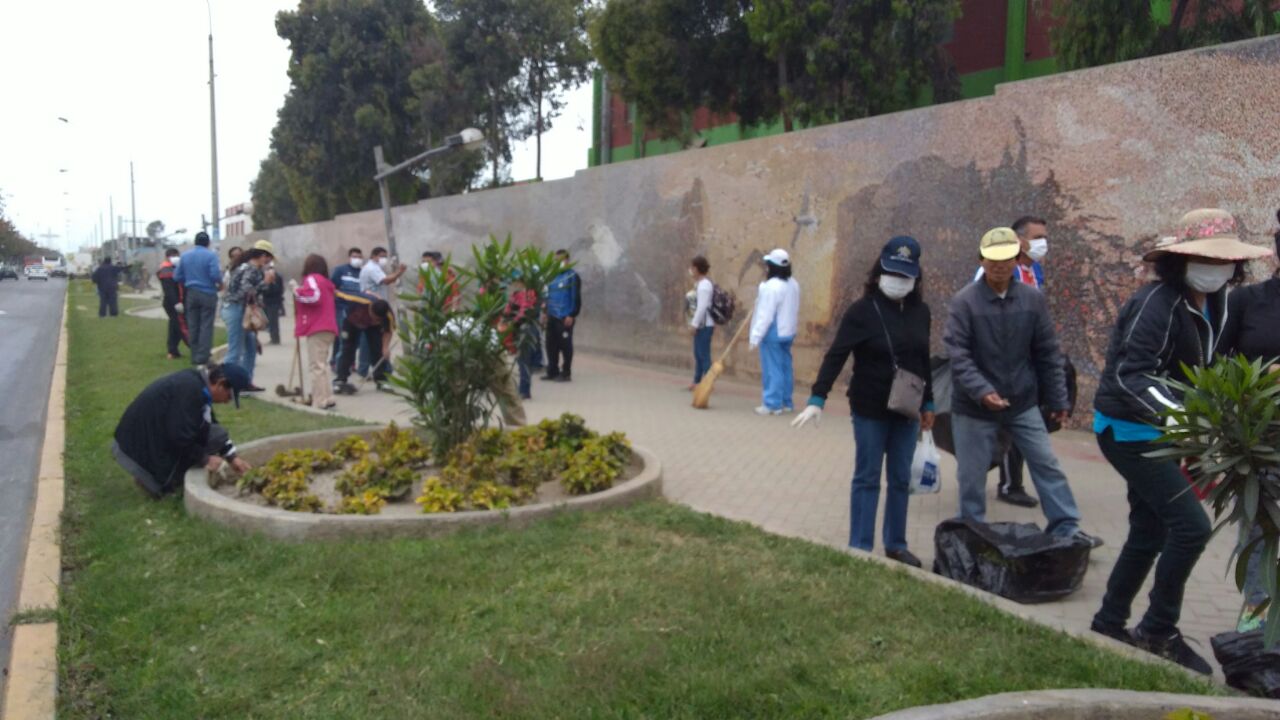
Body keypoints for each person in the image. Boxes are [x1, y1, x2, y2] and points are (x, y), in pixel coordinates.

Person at [1091, 209, 1272, 673]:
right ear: (1181, 260)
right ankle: (1157, 629)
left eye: (1224, 260)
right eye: (1204, 258)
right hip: (1130, 430)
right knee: (1190, 527)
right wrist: (1189, 422)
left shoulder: (1219, 303)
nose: (1215, 267)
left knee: (1149, 530)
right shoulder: (1157, 302)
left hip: (1165, 432)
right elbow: (1131, 374)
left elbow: (1212, 367)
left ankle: (1109, 622)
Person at [943, 227, 1101, 547]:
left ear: (1017, 260)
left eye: (1006, 259)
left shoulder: (1032, 299)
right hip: (974, 405)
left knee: (1046, 463)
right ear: (981, 260)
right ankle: (972, 533)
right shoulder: (965, 302)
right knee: (971, 476)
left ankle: (1066, 527)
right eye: (992, 260)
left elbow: (1047, 351)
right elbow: (958, 355)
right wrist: (982, 390)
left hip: (1022, 401)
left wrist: (1058, 400)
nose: (1000, 266)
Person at [792, 236, 935, 567]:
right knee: (868, 476)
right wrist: (818, 396)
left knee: (900, 477)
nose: (898, 282)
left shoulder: (921, 312)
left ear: (915, 278)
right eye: (893, 273)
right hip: (870, 408)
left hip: (907, 409)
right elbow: (837, 354)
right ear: (879, 271)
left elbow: (923, 359)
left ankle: (896, 544)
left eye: (905, 276)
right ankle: (860, 546)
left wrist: (928, 403)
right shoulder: (861, 311)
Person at [1220, 209, 1280, 633]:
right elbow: (1216, 367)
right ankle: (1256, 624)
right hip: (1260, 441)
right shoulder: (1247, 301)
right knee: (1258, 534)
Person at [111, 362, 254, 498]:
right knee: (166, 491)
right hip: (136, 448)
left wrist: (232, 457)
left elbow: (208, 422)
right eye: (229, 396)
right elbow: (179, 436)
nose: (227, 401)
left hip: (149, 436)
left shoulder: (198, 385)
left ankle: (158, 474)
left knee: (216, 435)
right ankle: (149, 478)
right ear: (220, 383)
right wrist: (205, 459)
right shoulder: (189, 390)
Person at [748, 248, 801, 415]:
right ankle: (786, 402)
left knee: (773, 368)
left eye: (768, 265)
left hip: (773, 332)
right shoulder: (793, 283)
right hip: (788, 331)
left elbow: (765, 315)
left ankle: (772, 404)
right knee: (785, 367)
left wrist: (755, 337)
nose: (766, 268)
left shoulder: (771, 287)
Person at [221, 239, 276, 384]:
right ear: (263, 256)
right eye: (269, 258)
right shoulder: (251, 269)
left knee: (250, 348)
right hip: (236, 310)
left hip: (234, 309)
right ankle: (224, 384)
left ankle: (244, 383)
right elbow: (245, 290)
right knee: (235, 351)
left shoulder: (245, 267)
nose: (269, 262)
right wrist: (265, 282)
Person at [291, 254, 339, 410]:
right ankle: (328, 396)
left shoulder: (312, 279)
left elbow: (314, 297)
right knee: (322, 364)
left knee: (316, 366)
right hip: (328, 326)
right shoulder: (326, 282)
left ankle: (319, 400)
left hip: (317, 327)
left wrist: (296, 291)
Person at [174, 231, 223, 366]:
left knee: (193, 325)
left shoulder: (185, 256)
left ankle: (194, 355)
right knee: (206, 325)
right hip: (208, 293)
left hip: (191, 293)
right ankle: (203, 356)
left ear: (195, 242)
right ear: (208, 243)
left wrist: (189, 280)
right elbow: (215, 275)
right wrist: (219, 283)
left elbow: (177, 276)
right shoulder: (211, 256)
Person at [334, 291, 394, 394]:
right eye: (374, 317)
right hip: (351, 322)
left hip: (373, 328)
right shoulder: (358, 299)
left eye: (378, 319)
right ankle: (340, 380)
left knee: (378, 350)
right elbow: (336, 293)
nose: (375, 320)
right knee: (347, 349)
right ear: (370, 308)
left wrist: (385, 347)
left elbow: (388, 331)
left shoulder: (388, 314)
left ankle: (381, 381)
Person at [329, 247, 370, 377]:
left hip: (358, 310)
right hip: (342, 308)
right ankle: (336, 361)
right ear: (349, 257)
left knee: (356, 338)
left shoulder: (363, 272)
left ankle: (350, 361)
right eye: (354, 256)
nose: (357, 259)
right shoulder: (340, 270)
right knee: (343, 336)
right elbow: (332, 287)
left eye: (359, 256)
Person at [542, 249, 581, 382]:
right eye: (556, 260)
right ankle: (552, 371)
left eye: (561, 260)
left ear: (567, 260)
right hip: (552, 316)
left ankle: (566, 373)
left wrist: (572, 314)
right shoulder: (552, 276)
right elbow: (547, 296)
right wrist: (545, 313)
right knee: (550, 345)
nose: (558, 262)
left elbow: (576, 297)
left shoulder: (572, 276)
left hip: (564, 317)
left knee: (565, 345)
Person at [502, 270, 539, 400]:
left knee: (524, 360)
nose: (513, 285)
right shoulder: (516, 295)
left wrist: (512, 321)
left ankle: (524, 390)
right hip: (517, 330)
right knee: (521, 360)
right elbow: (507, 310)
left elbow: (524, 312)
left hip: (525, 329)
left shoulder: (528, 294)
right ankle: (523, 389)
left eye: (515, 282)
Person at [688, 255, 716, 390]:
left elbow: (702, 307)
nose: (691, 270)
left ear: (698, 269)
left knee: (704, 354)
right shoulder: (701, 284)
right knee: (698, 354)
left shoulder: (704, 286)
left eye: (693, 267)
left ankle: (708, 382)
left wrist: (694, 324)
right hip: (702, 324)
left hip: (705, 325)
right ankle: (697, 381)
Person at [156, 248, 186, 359]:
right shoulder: (166, 269)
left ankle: (173, 350)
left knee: (175, 325)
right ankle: (172, 350)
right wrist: (177, 303)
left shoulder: (175, 267)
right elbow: (169, 290)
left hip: (178, 301)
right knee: (178, 326)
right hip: (172, 302)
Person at [260, 261, 286, 345]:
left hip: (272, 302)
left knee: (273, 321)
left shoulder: (276, 277)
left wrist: (271, 284)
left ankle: (275, 339)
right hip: (269, 302)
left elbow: (278, 290)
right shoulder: (267, 276)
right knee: (271, 321)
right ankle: (273, 337)